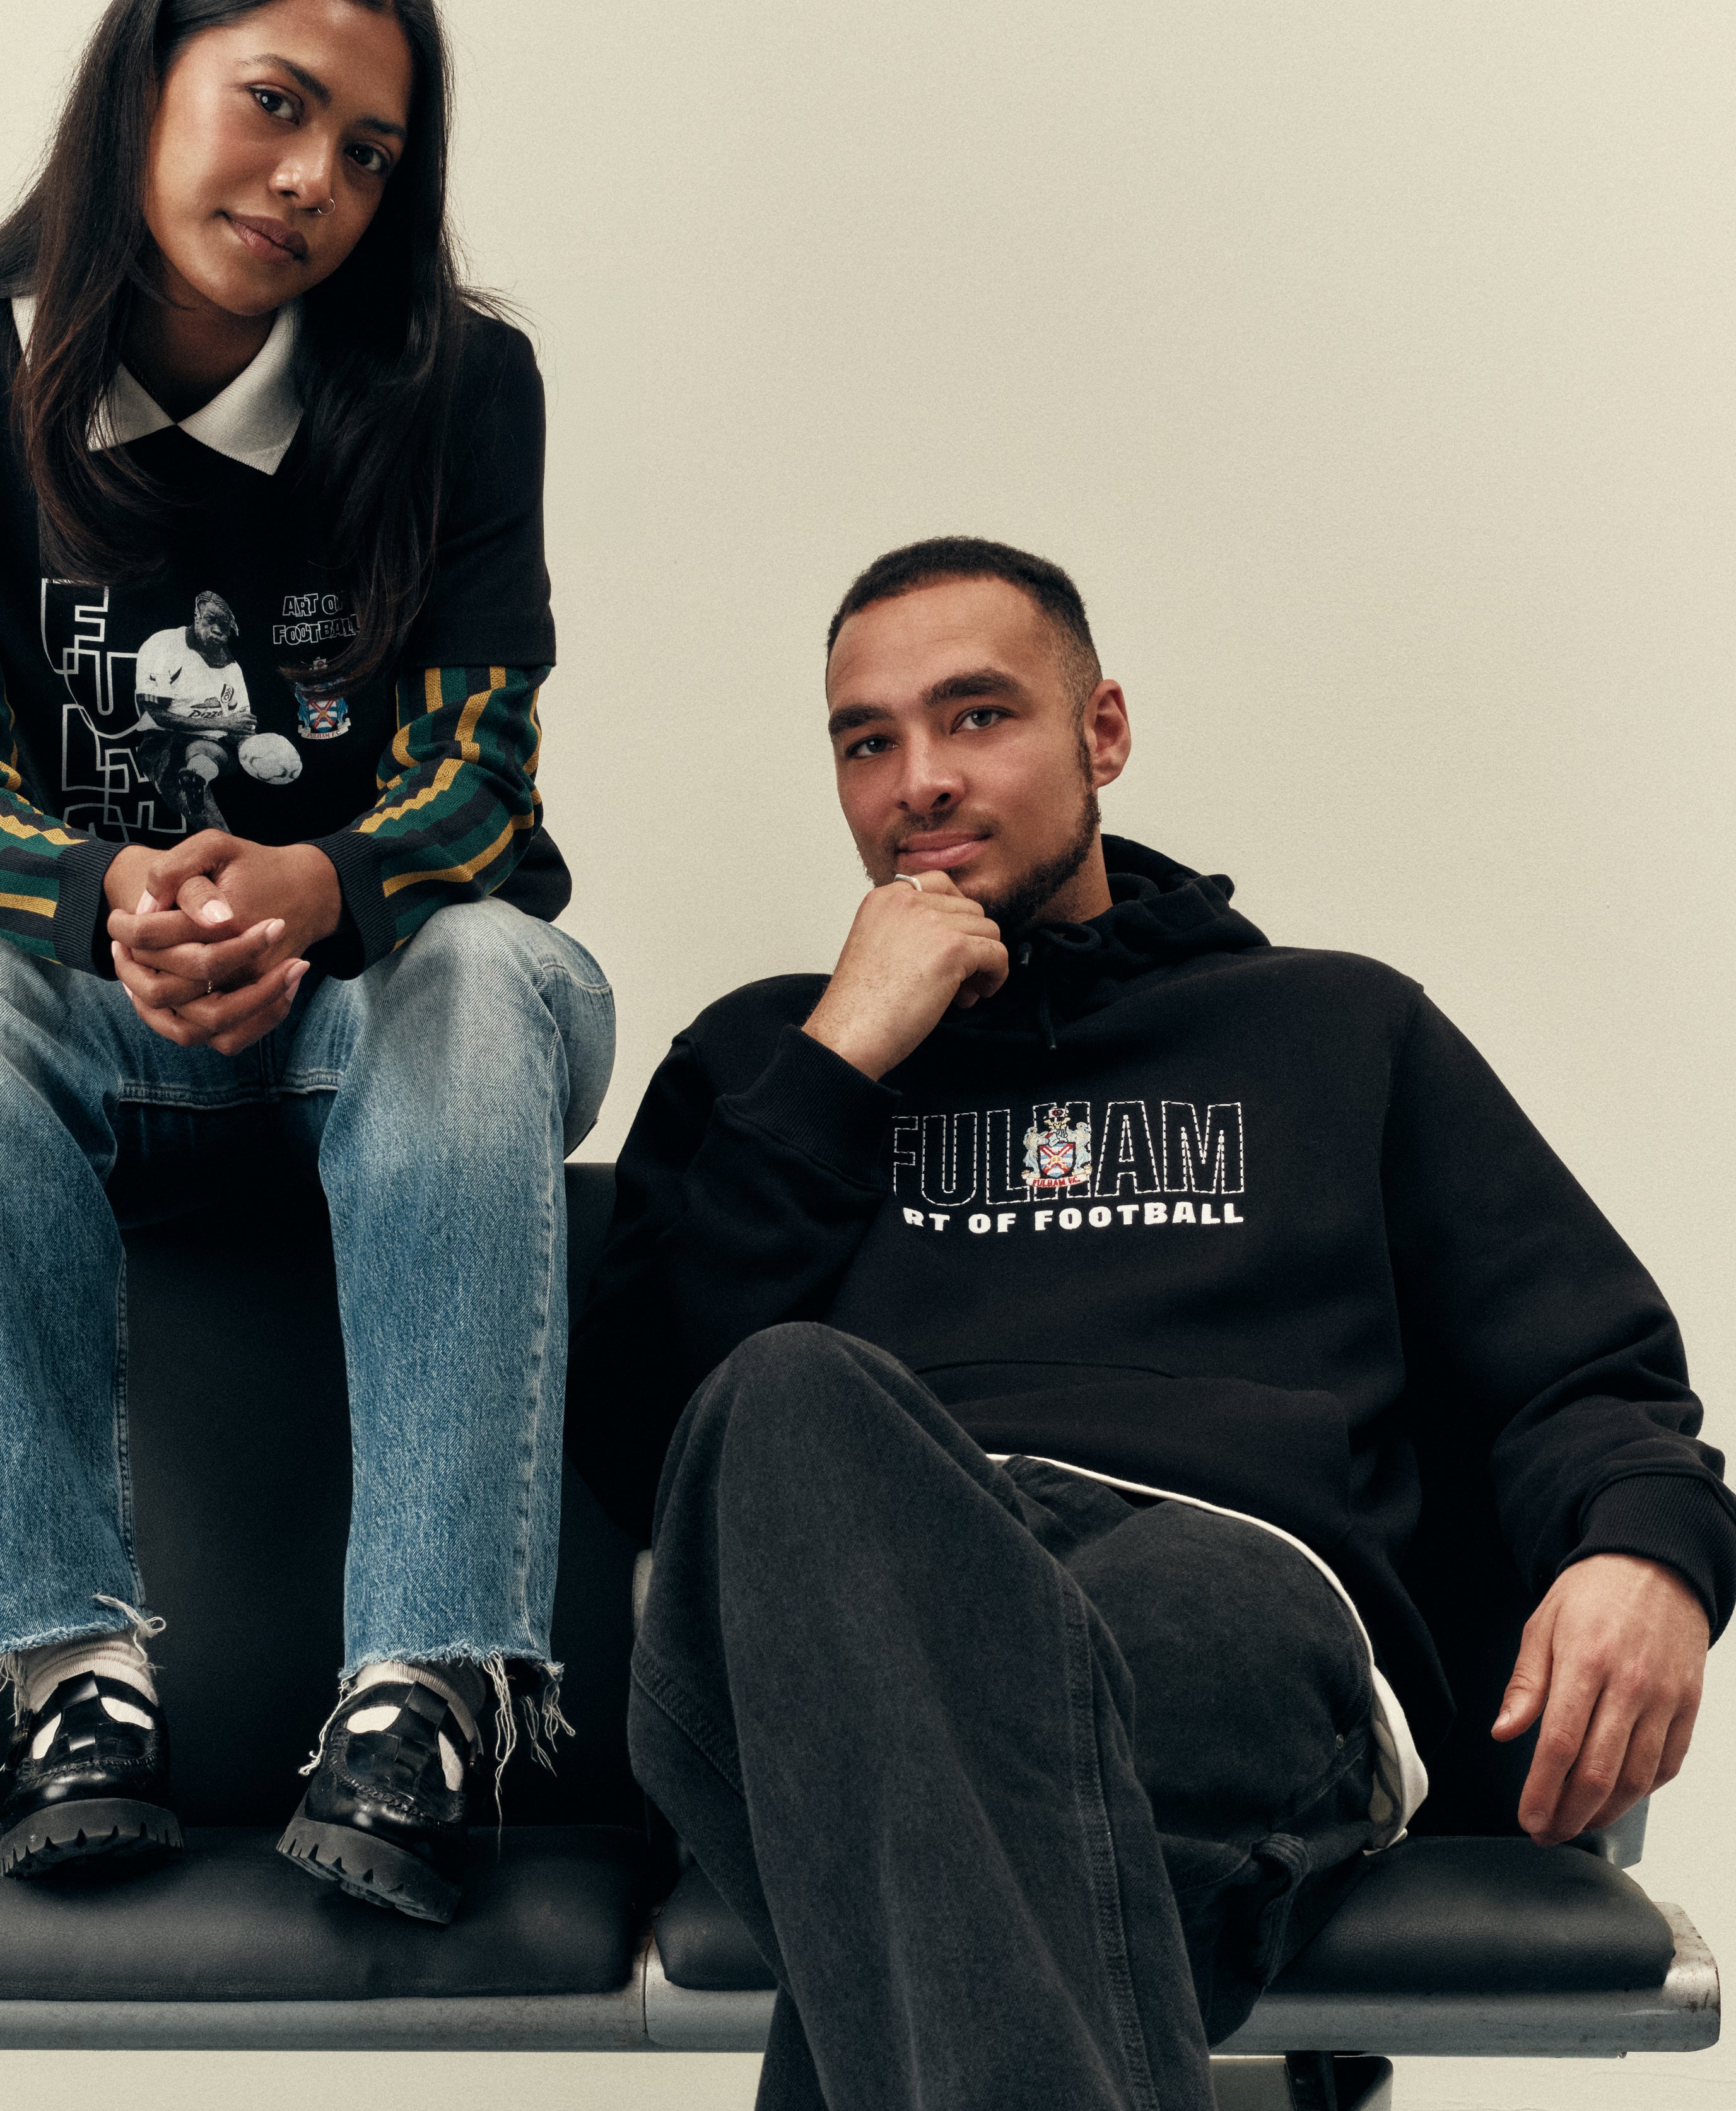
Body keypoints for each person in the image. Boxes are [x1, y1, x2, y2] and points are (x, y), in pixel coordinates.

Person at [567, 535, 1730, 2111]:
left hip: (1218, 1595)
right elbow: (642, 1440)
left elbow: (1582, 1371)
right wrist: (838, 1061)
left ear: (1100, 732)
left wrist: (1649, 1547)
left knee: (952, 1802)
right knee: (788, 1397)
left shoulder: (1334, 1027)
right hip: (842, 1600)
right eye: (866, 741)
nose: (919, 777)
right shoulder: (765, 1059)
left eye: (978, 715)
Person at [0, 0, 614, 1922]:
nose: (314, 180)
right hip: (111, 1012)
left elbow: (482, 775)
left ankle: (428, 1693)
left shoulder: (458, 385)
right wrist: (112, 897)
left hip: (398, 1006)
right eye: (276, 103)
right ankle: (65, 1681)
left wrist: (314, 891)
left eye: (371, 152)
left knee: (481, 963)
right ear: (142, 82)